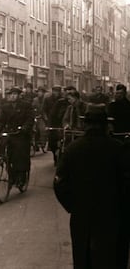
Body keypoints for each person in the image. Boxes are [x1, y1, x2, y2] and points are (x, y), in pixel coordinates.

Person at [54, 104, 129, 269]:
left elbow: (60, 183)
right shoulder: (118, 149)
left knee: (83, 257)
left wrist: (73, 206)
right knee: (112, 257)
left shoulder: (72, 149)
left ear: (85, 124)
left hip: (82, 216)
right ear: (105, 125)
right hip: (113, 216)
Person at [0, 87, 34, 188]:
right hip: (10, 132)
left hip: (21, 134)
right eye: (10, 94)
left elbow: (30, 119)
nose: (12, 96)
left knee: (20, 154)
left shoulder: (26, 105)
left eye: (14, 94)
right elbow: (1, 120)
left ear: (18, 95)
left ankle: (22, 177)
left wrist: (25, 127)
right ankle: (5, 165)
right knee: (3, 146)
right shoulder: (5, 107)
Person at [32, 86, 47, 152]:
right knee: (34, 130)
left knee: (42, 130)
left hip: (42, 117)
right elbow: (32, 107)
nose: (39, 93)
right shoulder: (35, 100)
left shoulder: (46, 99)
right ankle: (35, 144)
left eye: (41, 92)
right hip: (35, 116)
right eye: (39, 92)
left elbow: (46, 108)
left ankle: (43, 144)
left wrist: (44, 116)